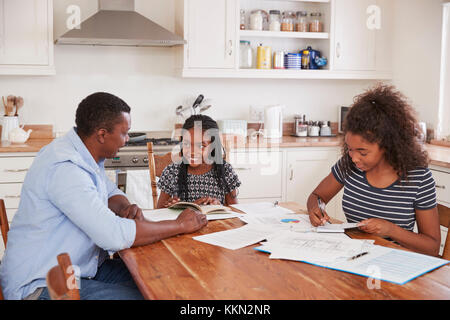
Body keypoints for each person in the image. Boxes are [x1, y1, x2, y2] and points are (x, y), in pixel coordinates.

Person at [0, 92, 207, 300]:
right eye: (124, 133)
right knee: (152, 294)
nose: (127, 140)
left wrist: (126, 207)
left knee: (164, 279)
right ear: (102, 135)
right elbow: (113, 235)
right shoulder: (65, 168)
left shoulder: (82, 153)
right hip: (42, 284)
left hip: (82, 269)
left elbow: (110, 193)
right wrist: (179, 225)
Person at [307, 84, 441, 256]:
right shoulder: (349, 165)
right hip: (353, 256)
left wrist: (391, 230)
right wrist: (315, 209)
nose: (354, 157)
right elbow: (317, 196)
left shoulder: (418, 178)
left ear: (388, 145)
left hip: (394, 263)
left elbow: (432, 247)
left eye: (362, 151)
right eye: (349, 148)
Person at [157, 114, 241, 208]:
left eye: (201, 146)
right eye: (187, 144)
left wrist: (219, 206)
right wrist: (170, 206)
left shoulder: (225, 170)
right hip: (184, 222)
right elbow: (159, 212)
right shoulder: (172, 171)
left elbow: (235, 210)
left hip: (216, 222)